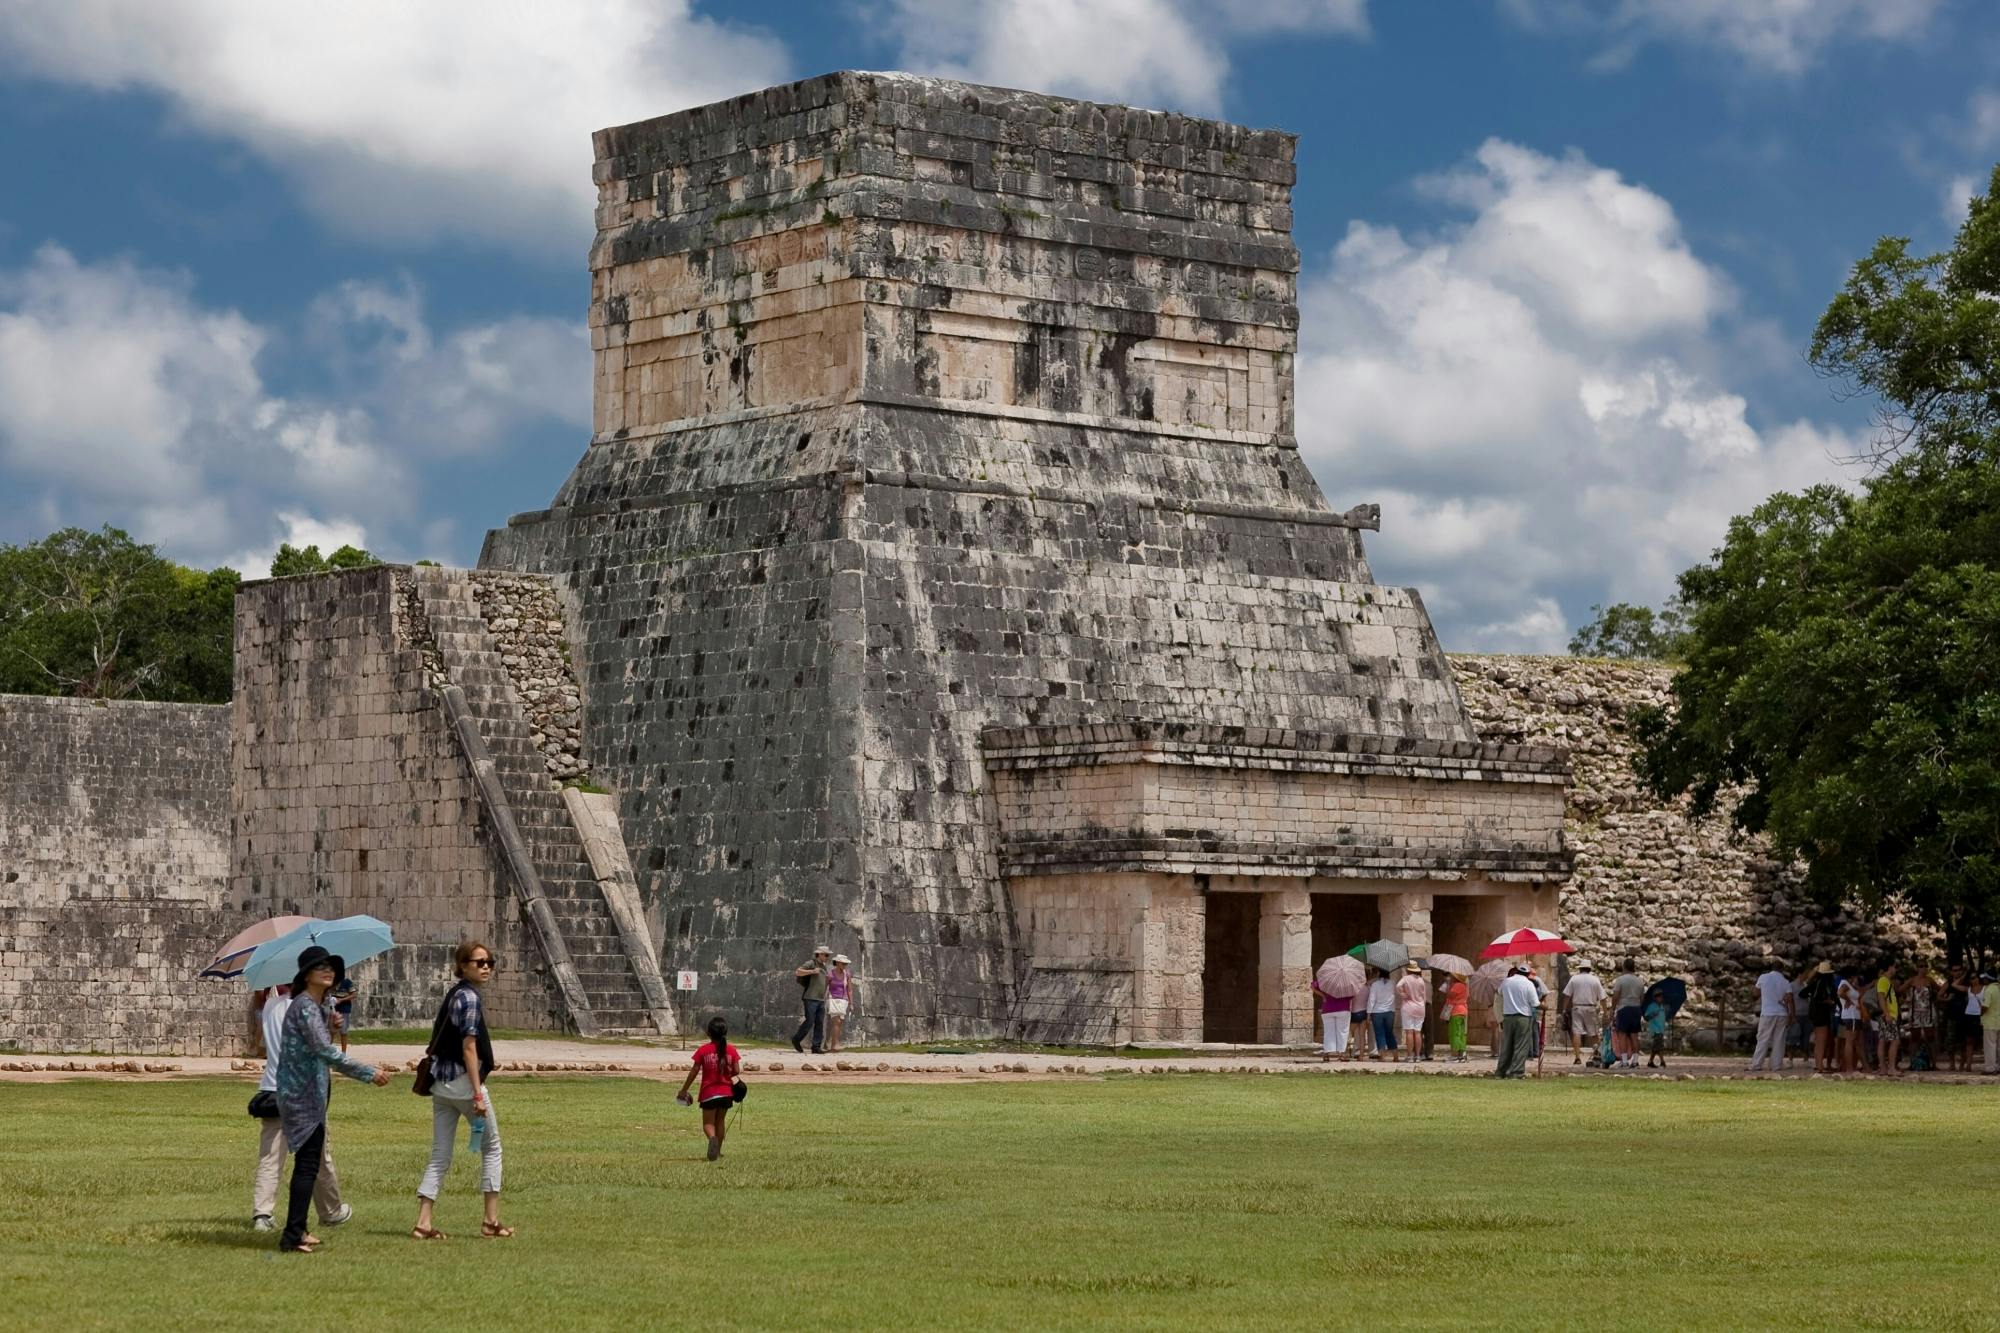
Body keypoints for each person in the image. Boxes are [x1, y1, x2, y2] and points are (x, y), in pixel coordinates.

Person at [274, 947, 390, 1253]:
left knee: (309, 1164)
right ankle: (292, 1235)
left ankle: (298, 1229)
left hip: (311, 1094)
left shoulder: (316, 1006)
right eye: (320, 967)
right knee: (307, 1165)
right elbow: (325, 1052)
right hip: (301, 1097)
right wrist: (368, 1073)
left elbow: (316, 1043)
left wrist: (330, 1023)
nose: (328, 971)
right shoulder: (305, 1007)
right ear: (306, 975)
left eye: (330, 967)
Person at [414, 941, 509, 1241]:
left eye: (489, 962)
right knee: (491, 1148)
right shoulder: (469, 998)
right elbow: (469, 1048)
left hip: (441, 1085)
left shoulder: (454, 994)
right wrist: (478, 1094)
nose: (485, 967)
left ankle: (423, 1222)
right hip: (463, 1085)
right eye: (478, 962)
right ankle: (490, 1221)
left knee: (440, 1154)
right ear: (463, 965)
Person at [250, 985, 349, 1233]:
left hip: (273, 1087)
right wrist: (331, 1029)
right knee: (316, 1156)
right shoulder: (306, 1010)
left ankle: (262, 1212)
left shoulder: (272, 1006)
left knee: (271, 1156)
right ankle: (330, 1210)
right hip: (304, 1091)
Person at [676, 1016, 743, 1160]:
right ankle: (717, 1152)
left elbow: (694, 1071)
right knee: (720, 1122)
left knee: (708, 1123)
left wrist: (684, 1089)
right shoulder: (731, 1050)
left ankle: (712, 1138)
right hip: (726, 1093)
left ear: (709, 1033)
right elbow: (737, 1070)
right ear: (725, 1033)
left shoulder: (703, 1050)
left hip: (709, 1093)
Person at [1493, 966, 1539, 1079]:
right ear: (1528, 974)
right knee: (1521, 1045)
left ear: (1517, 972)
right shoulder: (1528, 984)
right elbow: (1535, 1003)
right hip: (1523, 1017)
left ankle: (1501, 1072)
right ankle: (1516, 1072)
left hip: (1508, 1017)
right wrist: (1544, 1006)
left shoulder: (1506, 981)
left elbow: (1499, 993)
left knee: (1506, 1045)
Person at [1748, 963, 1794, 1074]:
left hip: (1768, 1012)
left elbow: (1756, 993)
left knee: (1763, 1038)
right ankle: (1776, 1065)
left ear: (1771, 968)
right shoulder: (1785, 981)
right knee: (1779, 1040)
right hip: (1781, 1013)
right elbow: (1789, 999)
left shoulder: (1763, 978)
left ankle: (1757, 1064)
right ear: (1782, 970)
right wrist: (1791, 1014)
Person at [1562, 962, 1605, 1066]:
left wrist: (1564, 1009)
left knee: (1576, 1032)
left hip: (1577, 1007)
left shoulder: (1574, 979)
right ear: (1589, 969)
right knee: (1593, 1033)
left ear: (1580, 969)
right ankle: (1599, 1054)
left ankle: (1577, 1057)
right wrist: (1606, 1011)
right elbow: (1602, 997)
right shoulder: (1595, 980)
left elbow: (1567, 995)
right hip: (1590, 1007)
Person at [792, 945, 831, 1054]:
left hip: (820, 999)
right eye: (826, 955)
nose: (827, 957)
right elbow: (798, 972)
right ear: (819, 954)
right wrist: (812, 971)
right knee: (810, 1021)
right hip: (810, 997)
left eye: (828, 955)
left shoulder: (824, 967)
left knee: (819, 1022)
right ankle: (796, 1039)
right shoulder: (811, 963)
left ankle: (816, 1046)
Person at [1608, 959, 1646, 1070]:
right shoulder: (1639, 981)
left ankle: (1624, 1062)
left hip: (1623, 1008)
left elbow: (1615, 995)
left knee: (1622, 1035)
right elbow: (1642, 997)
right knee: (1634, 1035)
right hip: (1636, 1008)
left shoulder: (1620, 980)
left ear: (1624, 967)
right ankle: (1635, 1061)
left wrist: (1612, 1009)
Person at [1864, 962, 1901, 1076]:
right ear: (1889, 967)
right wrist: (1887, 1013)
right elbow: (1881, 997)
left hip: (1886, 1015)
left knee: (1882, 1041)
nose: (1895, 969)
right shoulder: (1884, 981)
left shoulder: (1885, 981)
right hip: (1889, 1015)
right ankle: (1891, 1068)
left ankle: (1884, 1068)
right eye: (1894, 966)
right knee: (1894, 1040)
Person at [1900, 964, 1937, 1071]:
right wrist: (1905, 999)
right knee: (1914, 1037)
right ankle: (1912, 1063)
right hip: (1915, 1012)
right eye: (1920, 966)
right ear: (1917, 968)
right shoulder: (1911, 980)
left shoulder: (1930, 980)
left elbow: (1940, 990)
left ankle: (1934, 1063)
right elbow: (1900, 990)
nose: (1923, 968)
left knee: (1930, 1037)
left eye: (1925, 966)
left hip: (1928, 1012)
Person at [1803, 962, 1839, 1073]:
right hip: (1821, 1014)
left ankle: (1819, 1064)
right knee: (1821, 1041)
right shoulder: (1822, 983)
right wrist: (1828, 1001)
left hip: (1818, 1014)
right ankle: (1820, 1066)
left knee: (1820, 1041)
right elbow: (1817, 997)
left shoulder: (1816, 982)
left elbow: (1804, 993)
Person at [1311, 976, 1352, 1061]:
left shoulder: (1327, 981)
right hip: (1343, 1008)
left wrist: (1323, 995)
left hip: (1328, 1008)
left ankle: (1326, 1053)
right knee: (1343, 1031)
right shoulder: (1346, 983)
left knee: (1328, 1031)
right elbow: (1352, 995)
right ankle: (1341, 1054)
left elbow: (1313, 986)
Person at [1395, 961, 1428, 1061]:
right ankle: (1417, 1055)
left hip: (1408, 1007)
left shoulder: (1406, 978)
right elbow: (1424, 996)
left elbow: (1398, 986)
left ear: (1408, 970)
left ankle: (1409, 1055)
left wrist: (1402, 993)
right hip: (1420, 1007)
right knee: (1417, 1032)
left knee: (1409, 1032)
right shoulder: (1421, 980)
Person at [1365, 967, 1397, 1061]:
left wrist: (1368, 1014)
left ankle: (1382, 1056)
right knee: (1389, 1033)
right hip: (1390, 1011)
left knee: (1379, 1034)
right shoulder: (1392, 983)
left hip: (1377, 1012)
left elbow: (1372, 1000)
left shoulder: (1375, 984)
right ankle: (1395, 1056)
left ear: (1379, 973)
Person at [826, 954, 856, 1053]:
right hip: (833, 999)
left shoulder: (847, 974)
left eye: (845, 964)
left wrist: (851, 1003)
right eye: (843, 963)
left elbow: (850, 990)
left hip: (844, 1000)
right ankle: (834, 1045)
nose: (844, 965)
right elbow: (825, 987)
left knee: (839, 1023)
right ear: (838, 963)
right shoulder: (830, 974)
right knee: (837, 1022)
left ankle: (833, 1043)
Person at [1836, 969, 1864, 1073]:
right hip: (1851, 1016)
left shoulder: (1850, 985)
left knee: (1853, 1042)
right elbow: (1840, 993)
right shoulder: (1845, 984)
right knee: (1849, 1042)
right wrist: (1849, 1001)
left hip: (1854, 1016)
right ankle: (1849, 1068)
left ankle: (1848, 1066)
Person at [1441, 970, 1470, 1063]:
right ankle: (1462, 1053)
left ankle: (1455, 1054)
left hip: (1456, 1011)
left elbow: (1449, 994)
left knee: (1454, 1033)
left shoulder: (1457, 985)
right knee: (1461, 1034)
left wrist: (1448, 984)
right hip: (1463, 1011)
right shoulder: (1465, 986)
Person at [1642, 988, 1670, 1068]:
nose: (1660, 998)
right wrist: (1653, 1014)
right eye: (1658, 996)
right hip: (1655, 1029)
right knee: (1659, 1045)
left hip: (1661, 1029)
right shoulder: (1651, 1006)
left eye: (1661, 996)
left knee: (1657, 1045)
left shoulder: (1662, 1007)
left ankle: (1650, 1061)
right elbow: (1646, 1017)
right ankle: (1662, 1061)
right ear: (1655, 997)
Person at [1978, 972, 1999, 1075]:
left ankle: (1990, 1068)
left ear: (1988, 979)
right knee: (1999, 1046)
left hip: (1990, 1022)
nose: (1983, 980)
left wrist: (1980, 1013)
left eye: (1984, 978)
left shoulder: (1989, 990)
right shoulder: (1998, 988)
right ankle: (1998, 1066)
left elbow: (1986, 1006)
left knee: (1990, 1045)